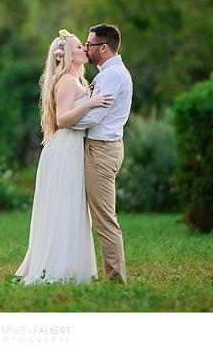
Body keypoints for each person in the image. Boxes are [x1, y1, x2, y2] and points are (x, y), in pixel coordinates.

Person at [15, 29, 114, 285]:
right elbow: (62, 119)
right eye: (79, 45)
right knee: (64, 207)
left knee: (71, 208)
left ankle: (70, 266)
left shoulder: (76, 81)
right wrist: (91, 103)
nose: (84, 48)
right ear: (69, 54)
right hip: (63, 150)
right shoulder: (67, 81)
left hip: (72, 149)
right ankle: (57, 267)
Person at [70, 23, 133, 284]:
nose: (86, 48)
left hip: (101, 151)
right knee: (100, 216)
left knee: (104, 219)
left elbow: (94, 116)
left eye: (90, 44)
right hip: (102, 148)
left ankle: (116, 281)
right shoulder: (110, 73)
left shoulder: (111, 76)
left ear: (103, 48)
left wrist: (66, 122)